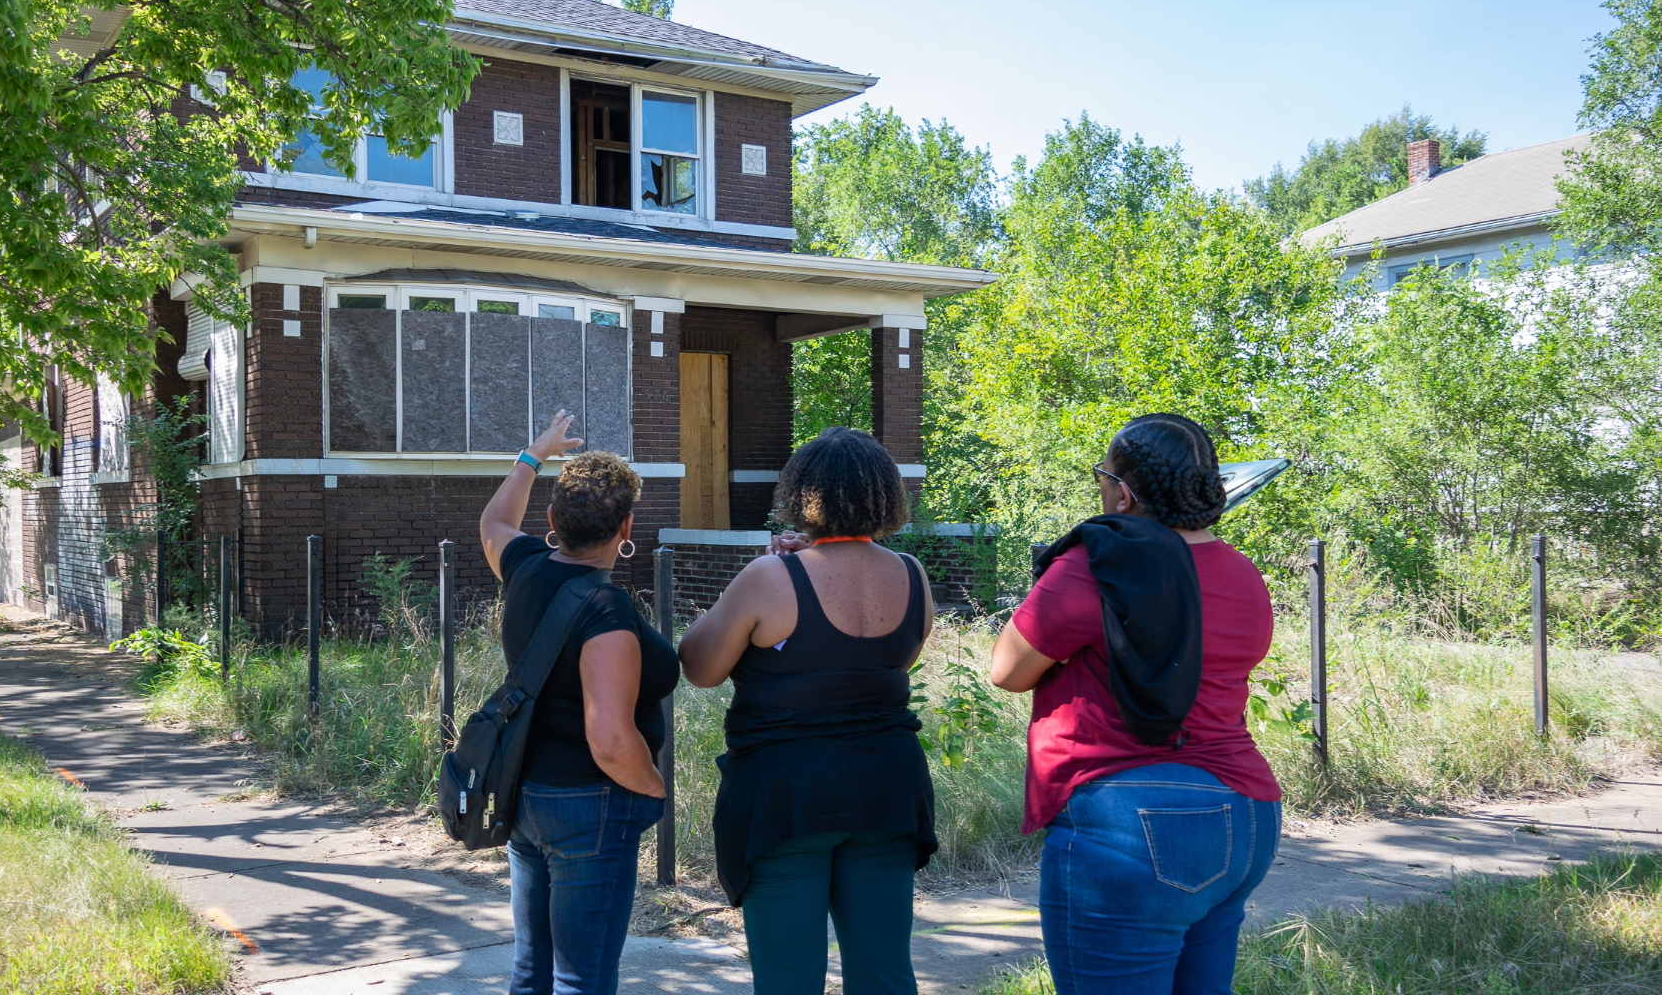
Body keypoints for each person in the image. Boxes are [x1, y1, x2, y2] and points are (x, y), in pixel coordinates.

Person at [988, 413, 1283, 995]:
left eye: (1103, 476)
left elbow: (1007, 671)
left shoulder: (1096, 565)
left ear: (1123, 493)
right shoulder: (1244, 574)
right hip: (1247, 810)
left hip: (1131, 820)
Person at [679, 426, 938, 995]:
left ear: (802, 496)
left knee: (788, 980)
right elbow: (895, 661)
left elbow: (698, 667)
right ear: (883, 496)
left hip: (786, 798)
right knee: (886, 974)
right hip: (888, 791)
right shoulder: (913, 575)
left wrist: (756, 587)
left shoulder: (771, 577)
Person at [478, 409, 678, 995]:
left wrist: (531, 456)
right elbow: (611, 739)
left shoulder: (525, 567)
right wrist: (651, 786)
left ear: (551, 519)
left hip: (526, 794)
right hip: (591, 805)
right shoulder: (606, 611)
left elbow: (493, 521)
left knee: (532, 972)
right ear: (626, 528)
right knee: (581, 979)